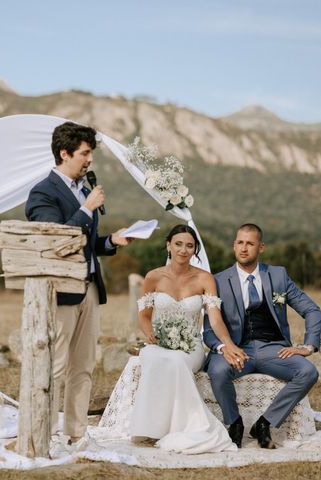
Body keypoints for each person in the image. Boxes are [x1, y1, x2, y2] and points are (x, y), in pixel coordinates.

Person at [25, 121, 132, 447]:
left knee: (83, 366)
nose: (90, 161)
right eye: (85, 154)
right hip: (59, 291)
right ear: (64, 152)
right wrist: (87, 209)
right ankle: (46, 431)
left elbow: (85, 242)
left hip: (89, 287)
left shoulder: (84, 189)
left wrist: (110, 241)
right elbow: (56, 240)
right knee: (55, 366)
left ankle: (76, 432)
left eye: (91, 154)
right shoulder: (43, 192)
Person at [203, 223, 321, 449]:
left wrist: (308, 346)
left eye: (250, 243)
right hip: (236, 347)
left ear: (261, 247)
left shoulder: (278, 275)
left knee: (308, 372)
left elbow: (312, 309)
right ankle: (234, 423)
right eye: (240, 242)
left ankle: (265, 423)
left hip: (272, 348)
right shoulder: (217, 280)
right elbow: (209, 329)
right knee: (217, 370)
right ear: (234, 245)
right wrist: (223, 348)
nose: (244, 248)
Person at [128, 224, 245, 453]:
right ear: (168, 246)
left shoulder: (205, 279)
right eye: (178, 244)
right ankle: (151, 428)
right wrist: (150, 334)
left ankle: (187, 426)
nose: (183, 250)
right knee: (150, 355)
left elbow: (215, 319)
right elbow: (144, 316)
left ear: (195, 250)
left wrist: (228, 345)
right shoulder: (153, 277)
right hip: (160, 343)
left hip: (190, 347)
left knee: (177, 361)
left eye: (189, 246)